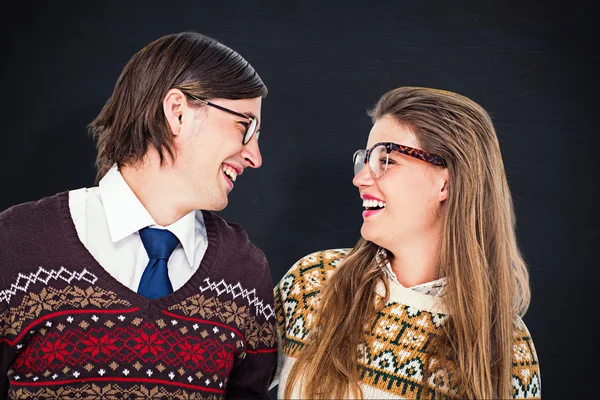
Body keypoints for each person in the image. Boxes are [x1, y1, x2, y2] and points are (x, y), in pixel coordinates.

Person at [0, 32, 277, 399]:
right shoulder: (15, 245)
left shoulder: (245, 274)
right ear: (177, 111)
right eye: (245, 126)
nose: (255, 156)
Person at [273, 87, 541, 399]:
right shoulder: (312, 284)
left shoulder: (506, 349)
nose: (360, 179)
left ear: (446, 182)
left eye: (386, 160)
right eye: (365, 160)